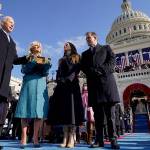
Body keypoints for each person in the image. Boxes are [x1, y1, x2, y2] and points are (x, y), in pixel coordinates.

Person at [80, 32, 120, 149]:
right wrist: (92, 71)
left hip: (107, 86)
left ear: (95, 38)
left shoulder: (106, 48)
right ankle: (99, 140)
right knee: (98, 117)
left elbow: (112, 62)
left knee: (110, 116)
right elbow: (84, 67)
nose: (87, 40)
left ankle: (113, 140)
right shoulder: (85, 54)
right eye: (86, 38)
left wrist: (101, 70)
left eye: (89, 38)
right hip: (94, 87)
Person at [15, 41, 51, 148]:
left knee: (38, 112)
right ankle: (24, 136)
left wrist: (47, 66)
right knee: (25, 110)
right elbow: (24, 70)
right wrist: (31, 62)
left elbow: (45, 73)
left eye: (38, 46)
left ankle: (35, 137)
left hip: (40, 84)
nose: (36, 47)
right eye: (34, 46)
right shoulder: (26, 58)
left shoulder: (44, 58)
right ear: (31, 48)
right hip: (29, 83)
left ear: (40, 49)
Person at [48, 42, 84, 148]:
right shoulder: (61, 60)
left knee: (72, 113)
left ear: (72, 46)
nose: (65, 45)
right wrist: (60, 80)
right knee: (64, 113)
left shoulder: (77, 57)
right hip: (62, 88)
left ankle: (72, 137)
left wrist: (68, 79)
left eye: (67, 44)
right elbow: (59, 73)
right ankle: (65, 137)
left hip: (72, 87)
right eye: (64, 45)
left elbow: (76, 70)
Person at [0, 16, 27, 149]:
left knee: (2, 109)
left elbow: (16, 60)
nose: (13, 25)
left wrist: (28, 58)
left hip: (5, 79)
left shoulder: (13, 43)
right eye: (10, 22)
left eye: (14, 23)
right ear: (2, 23)